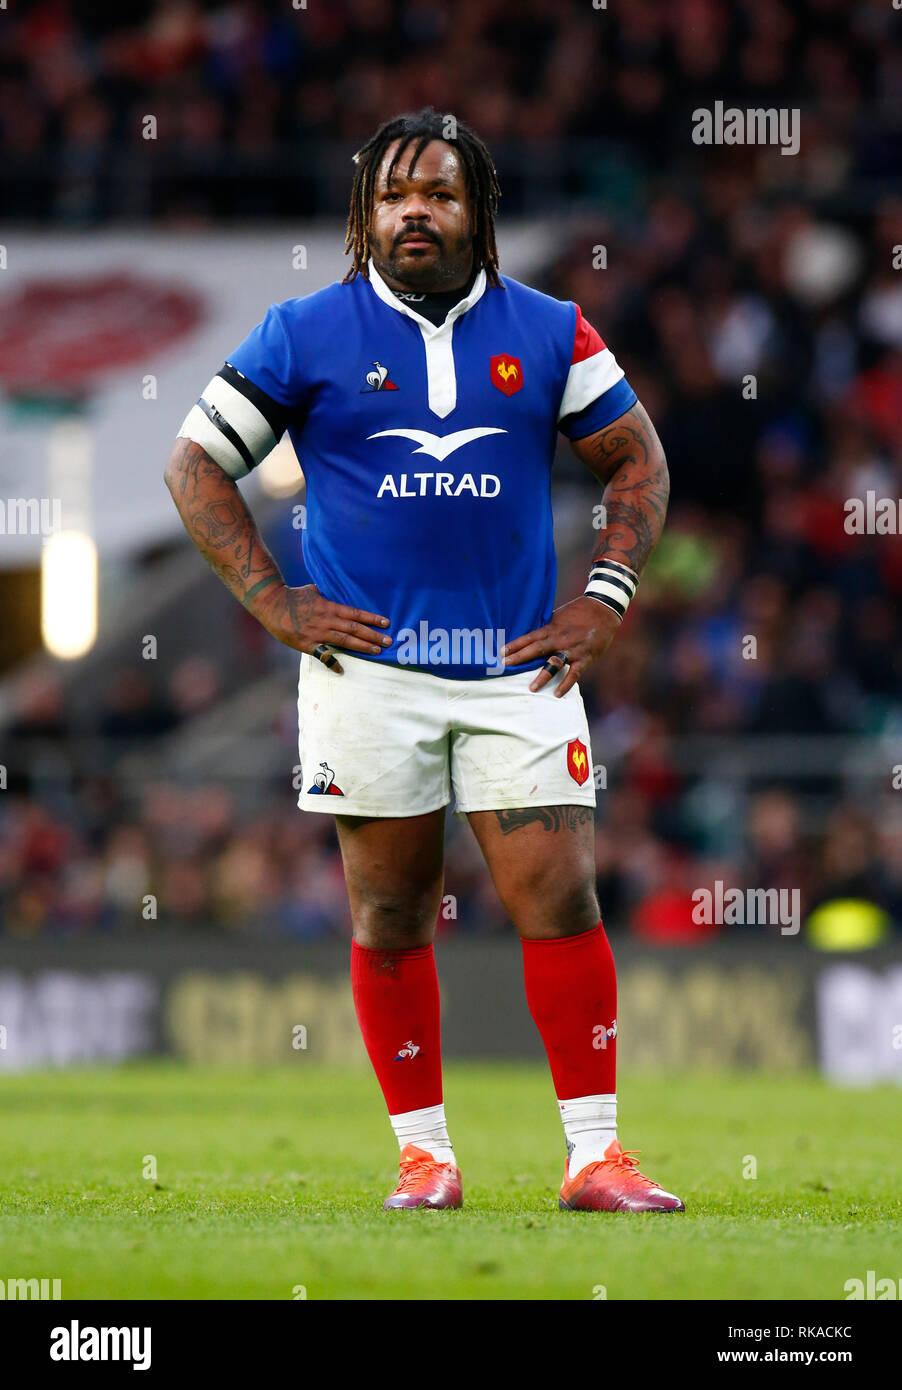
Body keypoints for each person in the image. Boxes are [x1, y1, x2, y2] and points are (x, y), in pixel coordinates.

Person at [164, 107, 683, 1215]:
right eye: (395, 195)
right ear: (364, 215)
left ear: (476, 212)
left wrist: (604, 599)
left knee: (560, 896)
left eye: (439, 194)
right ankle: (424, 1157)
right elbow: (195, 467)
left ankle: (594, 1155)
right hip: (369, 674)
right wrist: (272, 599)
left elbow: (637, 460)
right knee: (391, 914)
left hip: (517, 667)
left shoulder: (550, 331)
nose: (415, 211)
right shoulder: (302, 331)